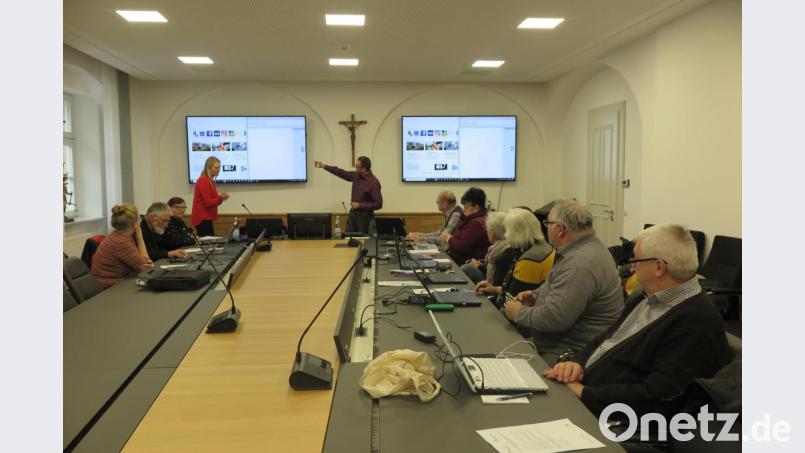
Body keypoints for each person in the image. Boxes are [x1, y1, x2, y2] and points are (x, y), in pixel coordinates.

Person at [542, 224, 730, 417]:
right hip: (583, 393)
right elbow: (606, 338)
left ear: (658, 267)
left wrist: (583, 392)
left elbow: (658, 397)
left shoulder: (696, 321)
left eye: (636, 261)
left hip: (605, 416)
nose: (631, 267)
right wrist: (577, 363)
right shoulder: (646, 296)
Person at [502, 200, 623, 365]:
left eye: (548, 223)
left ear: (560, 229)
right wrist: (535, 295)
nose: (546, 228)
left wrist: (518, 313)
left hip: (568, 354)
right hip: (561, 345)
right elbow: (555, 285)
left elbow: (555, 318)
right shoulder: (583, 250)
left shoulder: (580, 263)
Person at [475, 208, 555, 306]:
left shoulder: (530, 260)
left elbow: (513, 302)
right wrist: (494, 289)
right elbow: (518, 291)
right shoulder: (543, 247)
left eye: (507, 230)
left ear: (513, 233)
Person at [91, 204, 153, 288]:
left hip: (117, 281)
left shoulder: (120, 235)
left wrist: (145, 264)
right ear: (134, 224)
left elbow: (143, 264)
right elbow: (146, 268)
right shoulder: (120, 242)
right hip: (109, 287)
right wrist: (140, 238)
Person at [314, 156, 382, 234]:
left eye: (357, 166)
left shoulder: (373, 183)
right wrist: (324, 166)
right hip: (353, 215)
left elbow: (378, 204)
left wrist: (360, 205)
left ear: (364, 169)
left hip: (365, 217)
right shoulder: (356, 176)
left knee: (364, 241)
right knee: (348, 239)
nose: (355, 167)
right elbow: (341, 173)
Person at [440, 187, 490, 264]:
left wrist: (449, 238)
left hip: (464, 264)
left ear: (476, 208)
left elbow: (463, 247)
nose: (463, 210)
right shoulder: (476, 219)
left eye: (467, 207)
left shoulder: (476, 224)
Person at [460, 210, 510, 284]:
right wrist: (480, 263)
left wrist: (479, 266)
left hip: (492, 285)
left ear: (492, 233)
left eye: (487, 229)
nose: (486, 231)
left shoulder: (501, 250)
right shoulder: (499, 246)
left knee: (466, 268)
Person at [192, 156, 229, 236]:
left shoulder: (210, 180)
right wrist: (220, 197)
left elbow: (213, 200)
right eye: (216, 168)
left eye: (219, 168)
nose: (218, 170)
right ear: (209, 168)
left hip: (206, 218)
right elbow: (208, 202)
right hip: (202, 218)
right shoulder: (204, 180)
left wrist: (221, 198)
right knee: (209, 244)